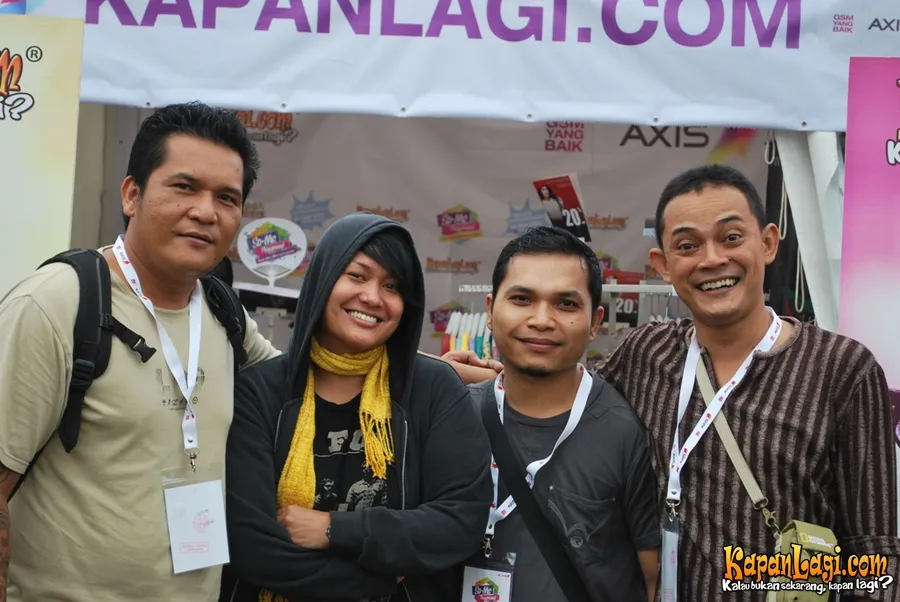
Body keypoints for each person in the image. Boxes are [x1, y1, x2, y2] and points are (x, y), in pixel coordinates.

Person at [451, 165, 900, 601]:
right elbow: (560, 386)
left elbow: (875, 550)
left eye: (731, 237)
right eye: (688, 245)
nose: (712, 259)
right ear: (663, 265)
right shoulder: (648, 353)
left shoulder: (842, 370)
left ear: (767, 243)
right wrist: (457, 375)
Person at [0, 102, 279, 602]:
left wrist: (430, 370)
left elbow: (305, 377)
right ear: (132, 194)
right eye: (184, 186)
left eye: (226, 197)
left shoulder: (222, 312)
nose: (205, 212)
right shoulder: (57, 304)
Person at [220, 212, 493, 602]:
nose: (373, 297)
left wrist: (334, 529)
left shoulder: (433, 389)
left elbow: (460, 521)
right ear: (323, 279)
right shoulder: (260, 392)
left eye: (392, 286)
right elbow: (250, 543)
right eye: (357, 276)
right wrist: (375, 583)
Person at [461, 226, 659, 602]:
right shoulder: (456, 417)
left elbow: (652, 577)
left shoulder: (623, 430)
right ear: (489, 310)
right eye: (521, 299)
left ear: (595, 322)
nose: (541, 320)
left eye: (565, 304)